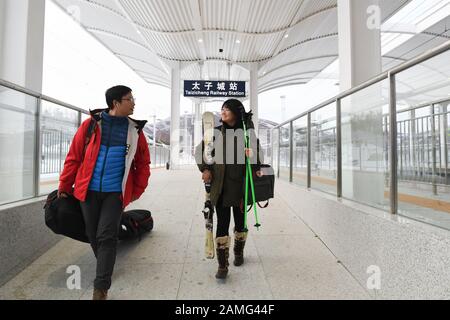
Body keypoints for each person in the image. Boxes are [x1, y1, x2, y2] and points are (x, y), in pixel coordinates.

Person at [58, 85, 151, 300]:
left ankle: (101, 288)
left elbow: (143, 163)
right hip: (87, 191)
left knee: (107, 236)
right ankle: (105, 264)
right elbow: (74, 157)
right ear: (115, 103)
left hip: (114, 194)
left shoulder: (134, 131)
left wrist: (136, 190)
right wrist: (64, 186)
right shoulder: (90, 125)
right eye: (129, 99)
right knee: (93, 234)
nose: (134, 102)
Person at [196, 99, 263, 279]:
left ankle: (239, 252)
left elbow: (259, 158)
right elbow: (200, 152)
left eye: (226, 109)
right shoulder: (215, 133)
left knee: (240, 223)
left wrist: (253, 154)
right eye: (222, 109)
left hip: (241, 189)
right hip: (221, 187)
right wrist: (206, 168)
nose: (223, 112)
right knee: (223, 224)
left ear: (236, 112)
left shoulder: (248, 134)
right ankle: (222, 265)